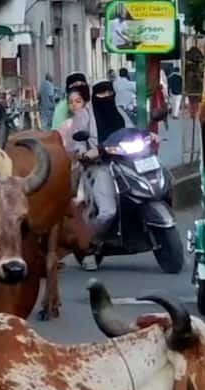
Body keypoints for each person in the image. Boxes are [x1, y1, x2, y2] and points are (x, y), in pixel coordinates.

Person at [78, 80, 134, 270]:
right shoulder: (85, 115)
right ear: (94, 97)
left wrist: (149, 136)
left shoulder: (121, 112)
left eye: (109, 93)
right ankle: (90, 248)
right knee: (108, 211)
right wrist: (85, 154)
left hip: (125, 164)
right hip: (98, 166)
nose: (105, 98)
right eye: (101, 95)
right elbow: (75, 146)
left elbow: (132, 131)